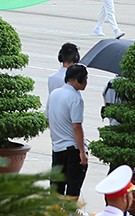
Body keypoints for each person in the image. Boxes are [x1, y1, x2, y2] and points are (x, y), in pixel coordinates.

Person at [47, 63, 89, 199]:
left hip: (58, 149)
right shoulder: (76, 98)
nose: (86, 82)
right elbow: (77, 127)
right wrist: (82, 152)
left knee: (56, 188)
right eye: (86, 79)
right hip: (72, 151)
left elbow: (48, 120)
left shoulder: (54, 94)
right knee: (72, 190)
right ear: (79, 78)